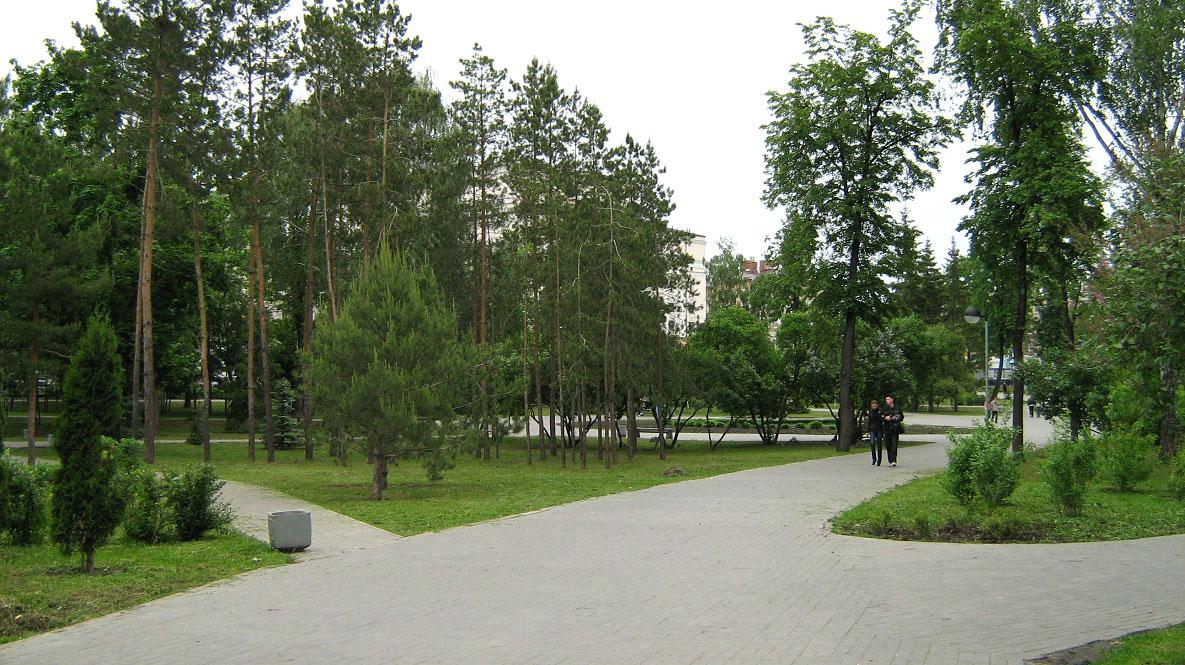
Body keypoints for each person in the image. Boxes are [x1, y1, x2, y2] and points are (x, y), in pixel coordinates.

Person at [879, 396, 904, 467]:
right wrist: (885, 418)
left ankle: (893, 461)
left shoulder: (897, 408)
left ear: (892, 400)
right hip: (886, 429)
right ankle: (890, 460)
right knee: (888, 445)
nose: (887, 400)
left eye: (888, 399)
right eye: (886, 399)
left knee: (894, 445)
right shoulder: (884, 408)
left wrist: (895, 418)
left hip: (895, 429)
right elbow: (880, 417)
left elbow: (901, 417)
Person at [866, 399, 883, 466]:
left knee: (879, 445)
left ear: (877, 405)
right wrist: (868, 430)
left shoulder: (880, 411)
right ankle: (874, 459)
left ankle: (879, 460)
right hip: (872, 429)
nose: (873, 407)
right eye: (872, 406)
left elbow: (881, 418)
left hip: (879, 429)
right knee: (872, 444)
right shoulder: (870, 411)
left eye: (874, 405)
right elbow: (869, 420)